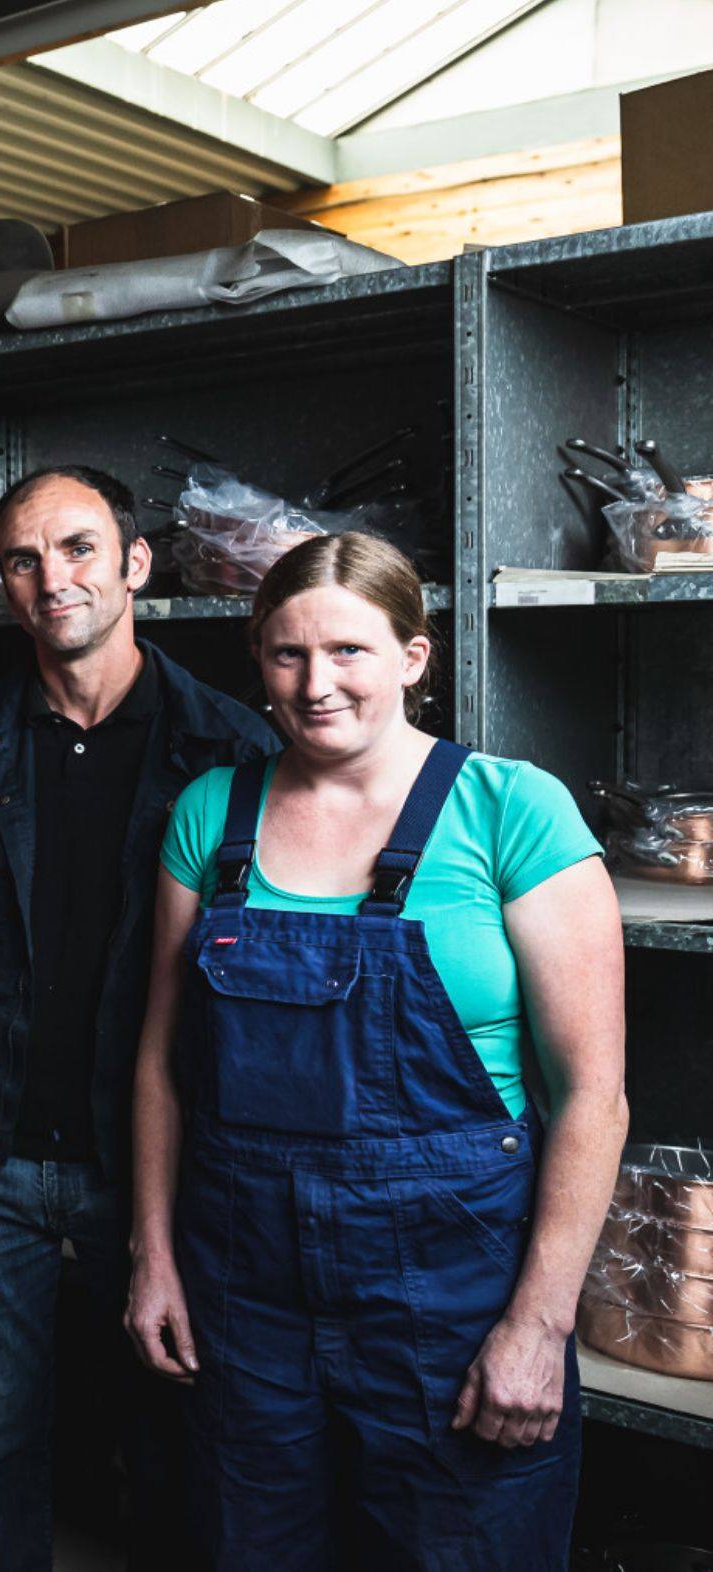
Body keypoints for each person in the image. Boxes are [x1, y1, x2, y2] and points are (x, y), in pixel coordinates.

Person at [125, 533, 627, 1570]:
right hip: (244, 1278)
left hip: (452, 1282)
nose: (315, 685)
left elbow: (593, 1097)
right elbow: (162, 1064)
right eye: (287, 654)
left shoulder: (510, 809)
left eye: (348, 650)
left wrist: (537, 1325)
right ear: (259, 660)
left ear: (412, 656)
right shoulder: (210, 811)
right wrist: (153, 1255)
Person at [0, 467, 277, 1571]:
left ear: (135, 563)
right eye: (24, 559)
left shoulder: (230, 749)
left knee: (169, 1448)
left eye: (79, 547)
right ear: (3, 584)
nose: (54, 579)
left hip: (156, 1172)